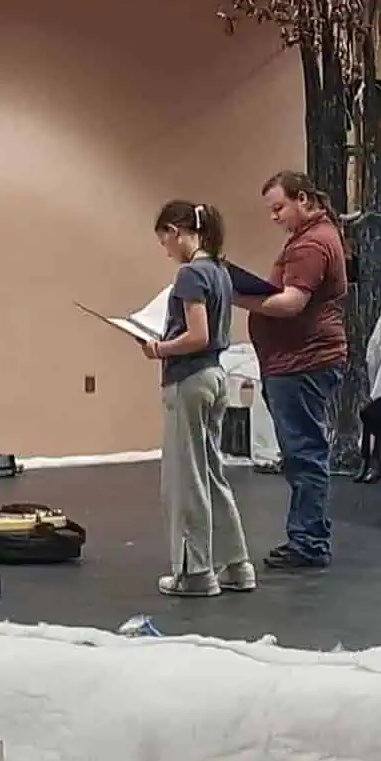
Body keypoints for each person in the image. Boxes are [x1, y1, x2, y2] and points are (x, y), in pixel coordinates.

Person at [142, 201, 254, 597]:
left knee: (185, 478)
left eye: (164, 241)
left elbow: (197, 336)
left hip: (189, 379)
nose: (166, 250)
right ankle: (236, 565)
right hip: (216, 377)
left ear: (176, 230)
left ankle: (194, 573)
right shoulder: (220, 271)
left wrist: (158, 348)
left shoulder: (190, 274)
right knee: (211, 473)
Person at [238, 171, 348, 570]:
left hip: (303, 362)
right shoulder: (313, 239)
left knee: (304, 453)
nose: (274, 217)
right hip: (295, 362)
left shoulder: (313, 244)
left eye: (278, 207)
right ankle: (307, 536)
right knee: (302, 452)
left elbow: (291, 304)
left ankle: (309, 543)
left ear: (303, 199)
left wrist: (238, 296)